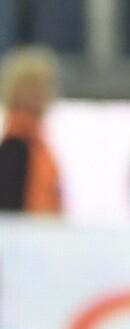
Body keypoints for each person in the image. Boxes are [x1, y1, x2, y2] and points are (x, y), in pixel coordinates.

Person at [0, 45, 61, 213]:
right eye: (29, 85)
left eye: (41, 85)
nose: (37, 93)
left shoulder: (39, 147)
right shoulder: (14, 150)